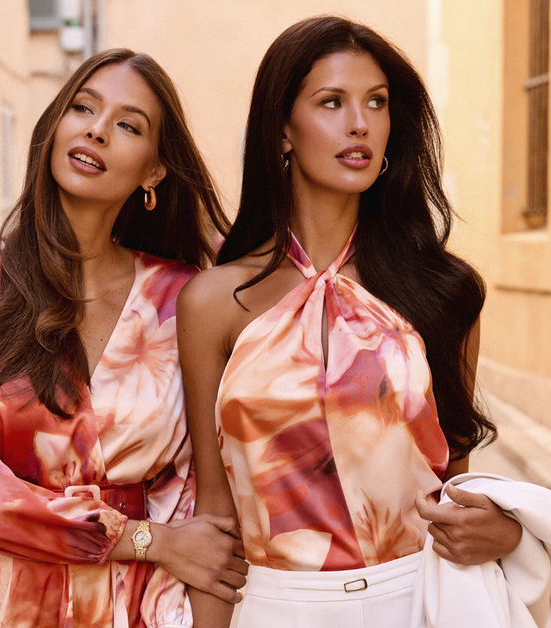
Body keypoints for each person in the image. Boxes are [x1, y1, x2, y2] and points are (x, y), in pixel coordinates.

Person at [176, 16, 525, 626]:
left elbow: (454, 497)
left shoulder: (444, 292)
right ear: (281, 130)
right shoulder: (212, 302)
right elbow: (215, 521)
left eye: (377, 103)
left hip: (419, 601)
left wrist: (505, 532)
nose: (359, 122)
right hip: (274, 607)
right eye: (331, 102)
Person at [0, 48, 247, 628]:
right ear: (53, 129)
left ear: (154, 171)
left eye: (127, 124)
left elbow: (202, 491)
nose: (96, 128)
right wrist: (151, 541)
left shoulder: (186, 298)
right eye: (83, 108)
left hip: (141, 609)